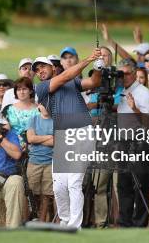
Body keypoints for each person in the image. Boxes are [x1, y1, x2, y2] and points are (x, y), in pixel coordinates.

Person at [34, 47, 103, 228]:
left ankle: (74, 225)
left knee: (74, 183)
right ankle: (65, 220)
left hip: (82, 132)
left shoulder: (73, 82)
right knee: (58, 187)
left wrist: (98, 65)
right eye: (36, 69)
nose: (39, 71)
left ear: (53, 67)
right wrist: (89, 58)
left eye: (43, 67)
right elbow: (64, 77)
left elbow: (94, 82)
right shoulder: (41, 88)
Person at [114, 58, 149, 228]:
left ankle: (139, 223)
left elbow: (147, 121)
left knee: (140, 185)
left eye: (126, 74)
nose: (123, 77)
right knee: (123, 185)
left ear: (133, 73)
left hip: (140, 143)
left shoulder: (143, 92)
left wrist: (135, 108)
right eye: (120, 74)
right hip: (123, 142)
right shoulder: (118, 92)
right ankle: (125, 222)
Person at [26, 103, 54, 222]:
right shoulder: (33, 119)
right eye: (43, 104)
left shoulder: (56, 120)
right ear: (39, 105)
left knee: (47, 195)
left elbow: (56, 142)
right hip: (34, 162)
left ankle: (42, 221)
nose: (46, 107)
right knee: (31, 193)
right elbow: (30, 139)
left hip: (51, 162)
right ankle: (29, 219)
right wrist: (49, 137)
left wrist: (38, 139)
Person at [5, 77, 38, 143]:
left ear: (31, 91)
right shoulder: (8, 109)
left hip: (33, 145)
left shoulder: (38, 110)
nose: (21, 92)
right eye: (19, 90)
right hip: (13, 145)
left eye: (24, 89)